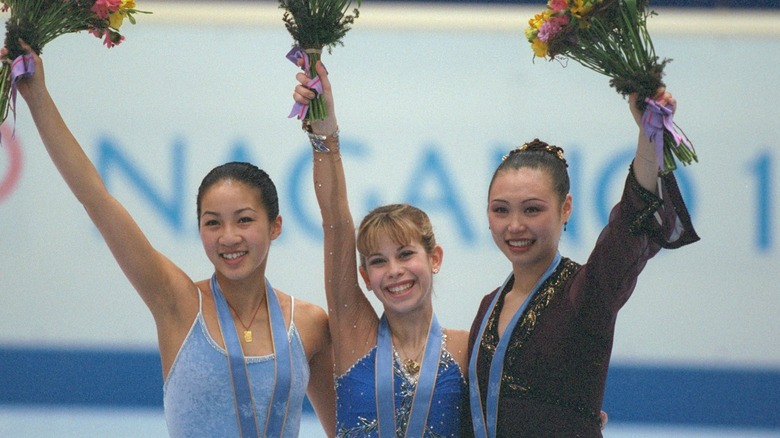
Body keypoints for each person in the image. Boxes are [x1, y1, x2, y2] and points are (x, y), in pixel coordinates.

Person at [8, 42, 336, 437]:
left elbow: (343, 430)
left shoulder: (311, 324)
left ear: (276, 226)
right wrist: (37, 97)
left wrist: (326, 125)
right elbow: (96, 198)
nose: (228, 237)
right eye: (212, 223)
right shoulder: (176, 302)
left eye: (244, 220)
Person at [466, 89, 700, 436]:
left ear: (566, 209)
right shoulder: (489, 306)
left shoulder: (586, 292)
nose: (514, 225)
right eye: (501, 210)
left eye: (532, 209)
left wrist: (648, 134)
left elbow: (630, 223)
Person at [292, 61, 469, 437]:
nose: (394, 270)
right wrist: (325, 136)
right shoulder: (353, 333)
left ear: (434, 258)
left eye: (405, 254)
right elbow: (336, 226)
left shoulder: (468, 350)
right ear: (365, 278)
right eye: (378, 261)